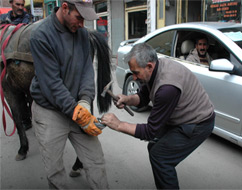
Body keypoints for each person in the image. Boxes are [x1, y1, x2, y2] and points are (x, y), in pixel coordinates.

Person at [101, 43, 215, 189]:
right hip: (181, 116)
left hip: (198, 123)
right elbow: (143, 96)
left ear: (149, 66)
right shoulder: (155, 68)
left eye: (136, 73)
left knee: (161, 157)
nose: (134, 78)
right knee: (154, 146)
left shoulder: (167, 88)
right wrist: (128, 99)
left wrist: (118, 125)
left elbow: (150, 131)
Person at [29, 0, 109, 189]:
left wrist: (85, 102)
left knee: (96, 162)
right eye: (79, 17)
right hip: (49, 111)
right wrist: (77, 112)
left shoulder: (81, 34)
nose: (82, 24)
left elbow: (87, 71)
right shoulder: (40, 37)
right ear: (64, 7)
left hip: (76, 106)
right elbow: (52, 85)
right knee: (55, 172)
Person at [0, 0, 32, 130]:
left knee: (31, 93)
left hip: (22, 62)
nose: (20, 7)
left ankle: (32, 117)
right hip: (7, 61)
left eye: (22, 5)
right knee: (17, 96)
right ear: (11, 3)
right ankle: (25, 120)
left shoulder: (28, 19)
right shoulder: (3, 18)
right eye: (17, 4)